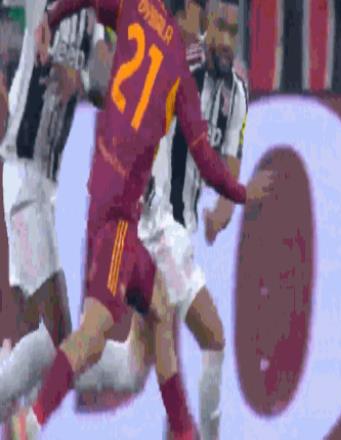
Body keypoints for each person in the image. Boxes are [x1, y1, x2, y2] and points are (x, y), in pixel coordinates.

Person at [27, 1, 272, 439]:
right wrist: (242, 193)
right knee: (114, 332)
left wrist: (51, 17)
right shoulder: (181, 66)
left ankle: (180, 430)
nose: (214, 35)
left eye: (230, 31)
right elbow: (206, 158)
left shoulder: (140, 10)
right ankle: (30, 421)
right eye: (210, 21)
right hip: (137, 218)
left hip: (124, 202)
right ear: (192, 12)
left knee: (150, 326)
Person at [76, 2, 247, 439]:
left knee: (135, 367)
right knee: (212, 337)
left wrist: (222, 212)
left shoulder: (237, 95)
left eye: (234, 32)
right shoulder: (178, 64)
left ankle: (44, 362)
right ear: (205, 26)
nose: (225, 41)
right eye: (219, 28)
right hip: (155, 224)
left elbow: (231, 160)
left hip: (178, 230)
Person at [0, 0, 110, 422]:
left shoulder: (92, 19)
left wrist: (83, 78)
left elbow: (104, 86)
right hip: (22, 172)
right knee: (63, 336)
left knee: (46, 335)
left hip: (46, 185)